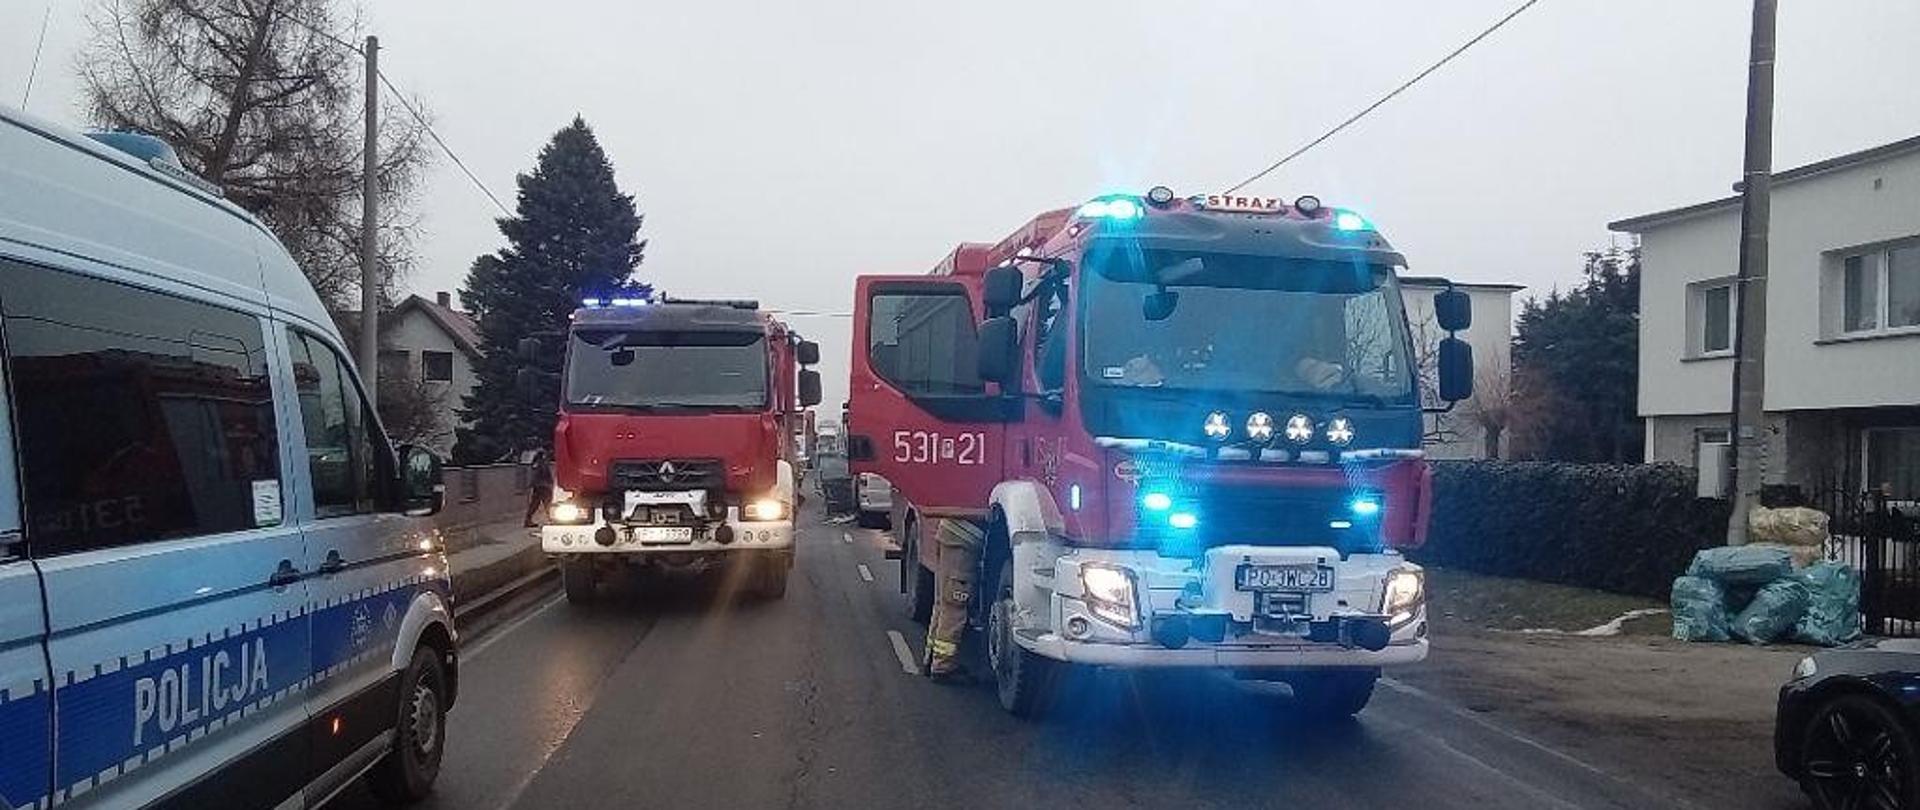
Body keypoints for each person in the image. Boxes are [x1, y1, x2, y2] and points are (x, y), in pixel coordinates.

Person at [923, 518, 985, 682]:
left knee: (943, 602)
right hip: (964, 538)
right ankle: (943, 666)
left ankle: (931, 657)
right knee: (955, 605)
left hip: (951, 531)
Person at [524, 448, 553, 527]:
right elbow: (545, 475)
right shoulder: (542, 464)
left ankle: (528, 520)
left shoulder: (536, 464)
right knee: (547, 503)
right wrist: (550, 483)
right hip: (543, 486)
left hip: (538, 486)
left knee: (535, 504)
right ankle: (551, 519)